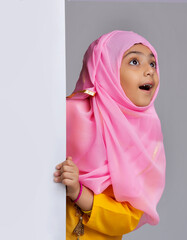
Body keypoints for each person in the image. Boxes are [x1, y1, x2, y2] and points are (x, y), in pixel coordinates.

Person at [53, 30, 166, 239]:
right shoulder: (66, 114)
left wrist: (80, 193)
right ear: (105, 68)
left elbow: (130, 216)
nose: (149, 71)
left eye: (153, 64)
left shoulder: (148, 140)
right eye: (134, 62)